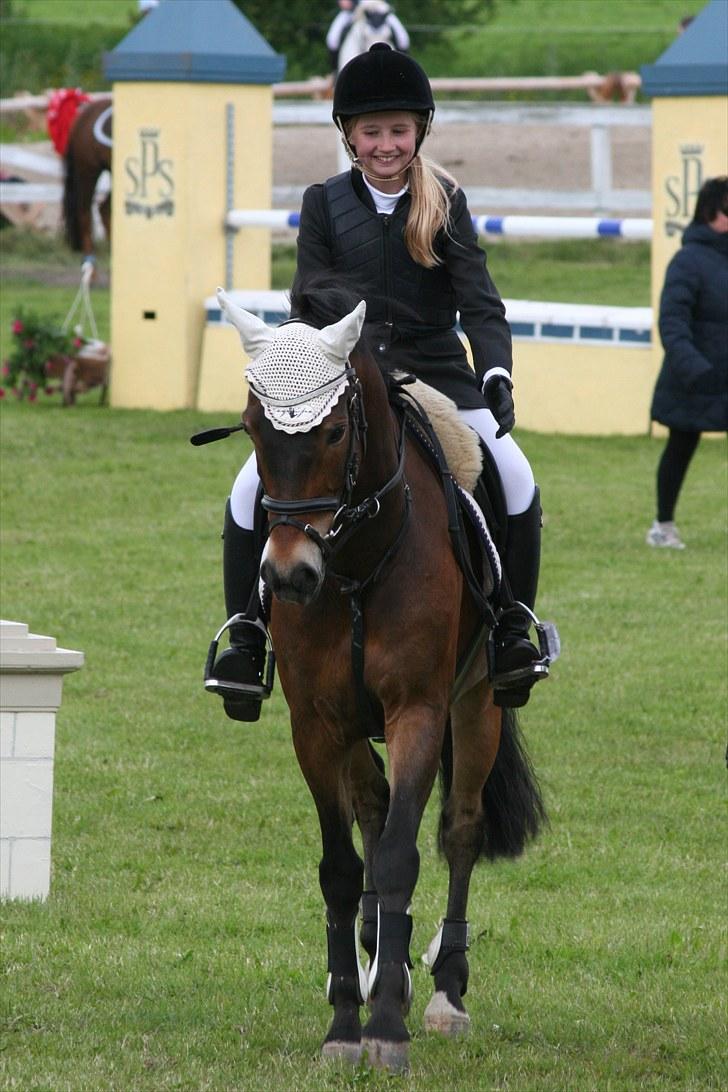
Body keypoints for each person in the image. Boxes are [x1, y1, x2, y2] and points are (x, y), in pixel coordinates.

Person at [207, 44, 548, 721]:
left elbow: (479, 300)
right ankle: (246, 636)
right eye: (372, 132)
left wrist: (497, 373)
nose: (386, 144)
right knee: (247, 490)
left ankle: (512, 626)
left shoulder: (445, 200)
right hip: (344, 376)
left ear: (419, 130)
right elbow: (307, 300)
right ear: (349, 137)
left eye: (398, 130)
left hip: (441, 379)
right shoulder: (324, 203)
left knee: (517, 478)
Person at [646, 176, 728, 549]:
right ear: (713, 213)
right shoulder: (687, 261)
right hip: (694, 379)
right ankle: (663, 526)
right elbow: (672, 323)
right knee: (681, 448)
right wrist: (696, 370)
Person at [325, 0, 409, 75]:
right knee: (332, 39)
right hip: (356, 10)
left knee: (403, 39)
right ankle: (336, 73)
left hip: (381, 9)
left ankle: (404, 72)